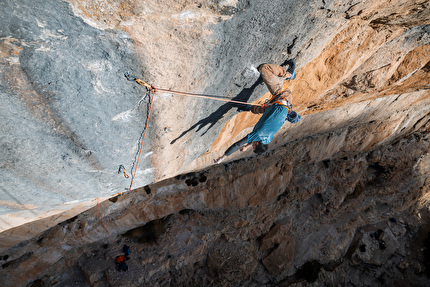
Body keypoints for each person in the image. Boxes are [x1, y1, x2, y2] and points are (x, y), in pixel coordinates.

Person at [215, 61, 301, 164]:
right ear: (256, 144)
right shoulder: (257, 136)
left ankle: (247, 107)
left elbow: (257, 138)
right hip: (282, 95)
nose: (253, 144)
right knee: (264, 68)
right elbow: (237, 145)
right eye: (253, 145)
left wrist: (247, 146)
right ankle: (288, 74)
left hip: (279, 106)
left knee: (259, 109)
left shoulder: (267, 139)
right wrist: (222, 157)